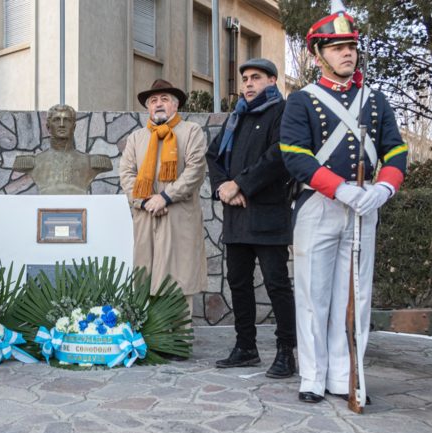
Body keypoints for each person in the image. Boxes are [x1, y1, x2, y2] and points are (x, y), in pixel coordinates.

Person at [280, 0, 407, 403]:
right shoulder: (302, 100)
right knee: (314, 295)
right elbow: (294, 154)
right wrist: (341, 188)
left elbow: (396, 150)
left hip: (365, 206)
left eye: (350, 45)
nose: (346, 52)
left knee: (356, 296)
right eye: (336, 47)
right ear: (319, 54)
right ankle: (313, 376)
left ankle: (346, 376)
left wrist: (384, 188)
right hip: (319, 205)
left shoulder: (376, 99)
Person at [205, 59, 297, 378]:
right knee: (238, 283)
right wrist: (223, 189)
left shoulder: (282, 112)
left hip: (269, 214)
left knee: (276, 285)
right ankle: (246, 347)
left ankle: (287, 351)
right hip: (236, 216)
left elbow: (280, 155)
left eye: (255, 77)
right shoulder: (237, 117)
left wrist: (241, 183)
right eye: (245, 79)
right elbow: (213, 156)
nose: (248, 83)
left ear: (272, 81)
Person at [119, 79, 208, 349]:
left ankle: (178, 341)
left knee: (178, 276)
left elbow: (195, 171)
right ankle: (153, 337)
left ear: (176, 104)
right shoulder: (137, 138)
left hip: (178, 215)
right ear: (147, 107)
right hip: (146, 216)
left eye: (165, 98)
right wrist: (145, 200)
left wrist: (165, 196)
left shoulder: (191, 131)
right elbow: (127, 173)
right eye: (153, 100)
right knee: (147, 273)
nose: (159, 104)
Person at [13, 104, 111, 194]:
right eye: (56, 120)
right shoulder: (33, 163)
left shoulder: (92, 163)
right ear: (48, 127)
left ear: (74, 127)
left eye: (67, 120)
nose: (61, 124)